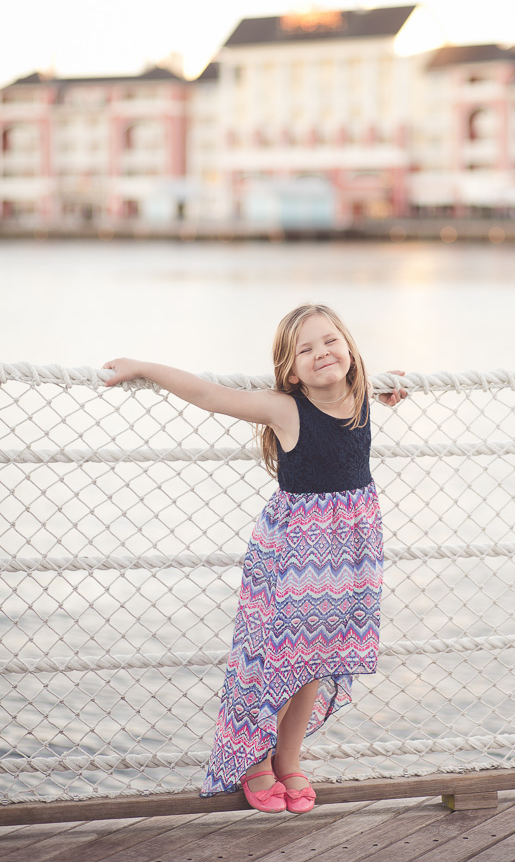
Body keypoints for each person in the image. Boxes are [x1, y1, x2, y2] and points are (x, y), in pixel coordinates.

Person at [102, 302, 406, 815]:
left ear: (349, 348)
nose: (321, 354)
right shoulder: (287, 410)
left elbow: (390, 381)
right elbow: (208, 395)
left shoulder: (362, 395)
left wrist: (396, 385)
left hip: (352, 553)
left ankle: (290, 759)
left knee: (316, 659)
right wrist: (142, 366)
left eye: (330, 341)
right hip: (293, 554)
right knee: (278, 660)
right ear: (290, 371)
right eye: (305, 350)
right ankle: (253, 759)